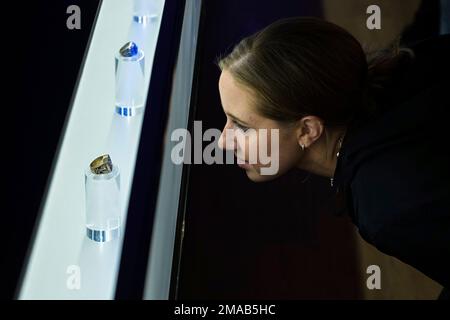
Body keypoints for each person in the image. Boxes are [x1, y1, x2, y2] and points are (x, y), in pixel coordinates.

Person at [216, 17, 450, 298]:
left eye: (242, 126)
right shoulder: (405, 66)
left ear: (308, 130)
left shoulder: (389, 208)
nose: (223, 141)